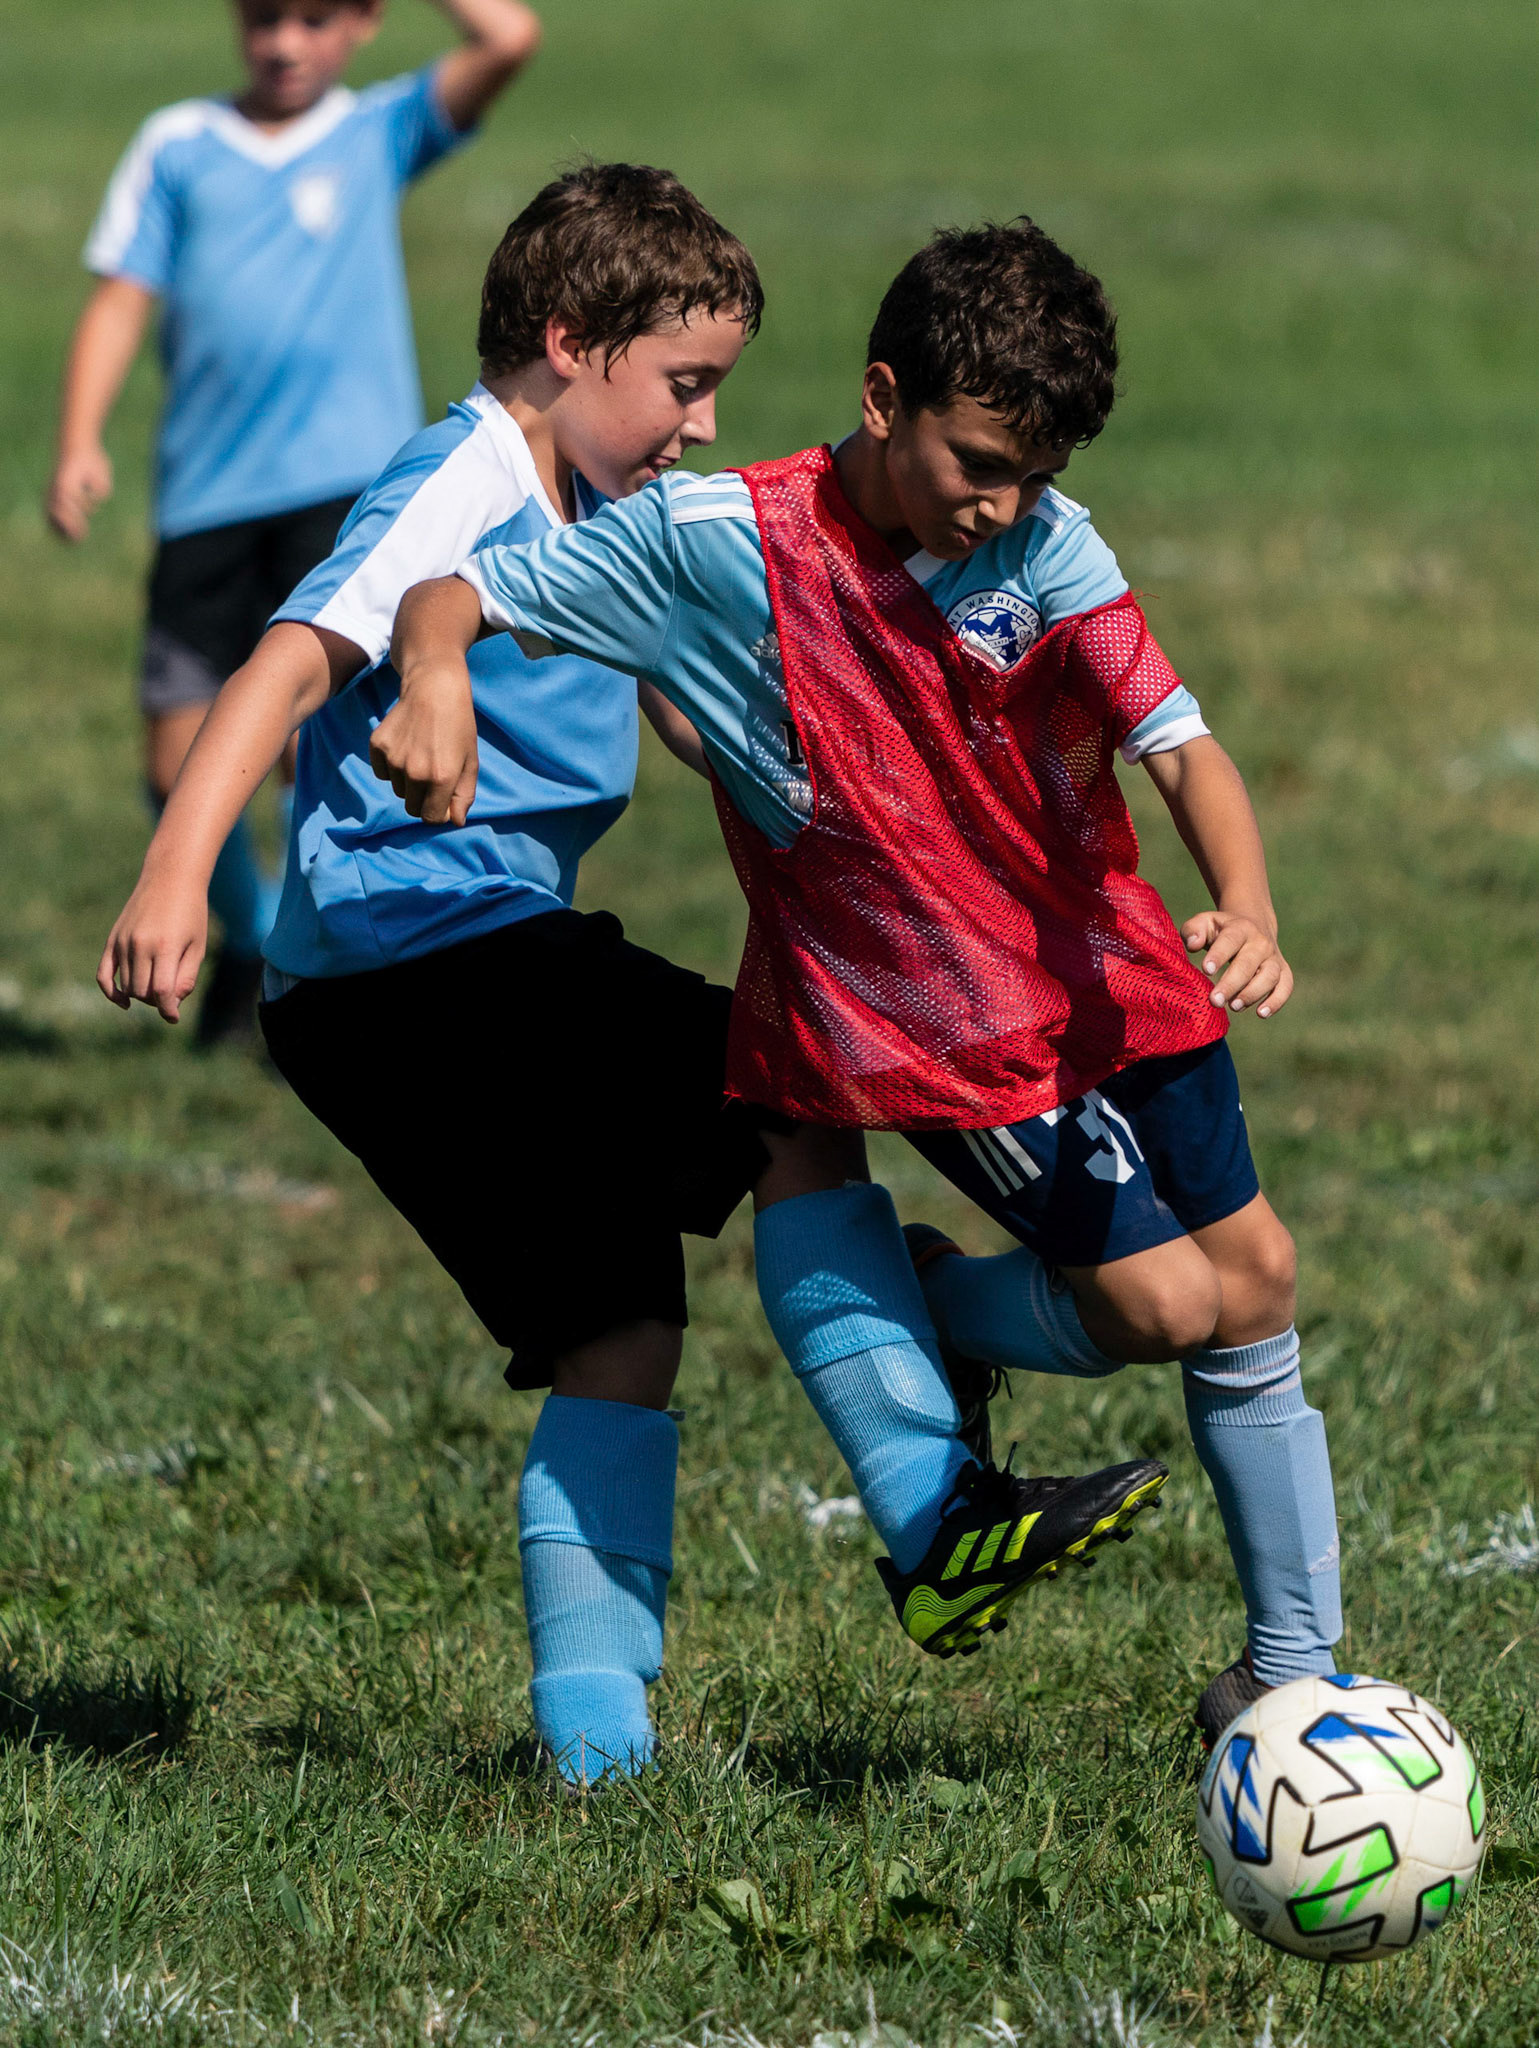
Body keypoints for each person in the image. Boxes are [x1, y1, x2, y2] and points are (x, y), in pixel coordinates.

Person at [99, 170, 1160, 1785]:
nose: (698, 419)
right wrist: (181, 874)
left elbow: (691, 709)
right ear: (564, 345)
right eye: (678, 382)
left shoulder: (592, 508)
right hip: (422, 967)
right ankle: (934, 1512)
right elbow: (284, 661)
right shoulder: (462, 477)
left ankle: (598, 1759)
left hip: (420, 984)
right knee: (777, 1104)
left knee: (618, 1331)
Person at [378, 215, 1343, 1741]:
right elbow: (453, 598)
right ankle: (943, 1322)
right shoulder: (716, 544)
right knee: (1167, 1307)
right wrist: (437, 681)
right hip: (935, 1024)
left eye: (1032, 473)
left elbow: (1177, 744)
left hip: (1109, 969)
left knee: (1261, 1278)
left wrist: (1247, 902)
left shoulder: (1042, 536)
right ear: (882, 397)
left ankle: (1292, 1676)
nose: (1002, 505)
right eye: (974, 462)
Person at [51, 0, 541, 1045]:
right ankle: (249, 937)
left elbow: (508, 37)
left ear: (362, 22)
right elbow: (119, 299)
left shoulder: (378, 129)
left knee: (309, 750)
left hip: (346, 496)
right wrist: (80, 438)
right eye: (264, 18)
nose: (283, 43)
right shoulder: (178, 144)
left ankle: (308, 976)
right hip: (207, 495)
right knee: (172, 758)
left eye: (315, 18)